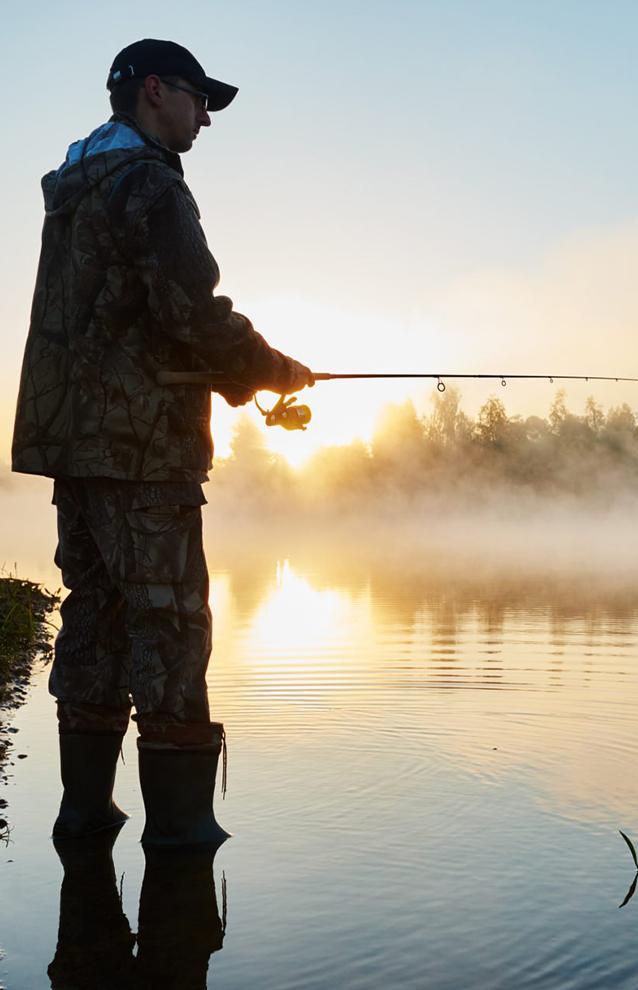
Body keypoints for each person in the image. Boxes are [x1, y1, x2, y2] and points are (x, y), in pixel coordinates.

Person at [11, 38, 314, 847]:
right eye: (197, 98)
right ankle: (182, 840)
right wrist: (274, 369)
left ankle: (84, 817)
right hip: (144, 449)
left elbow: (126, 321)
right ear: (154, 90)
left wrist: (238, 377)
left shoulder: (76, 186)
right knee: (171, 626)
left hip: (76, 446)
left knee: (95, 618)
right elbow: (191, 314)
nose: (205, 117)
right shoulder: (149, 183)